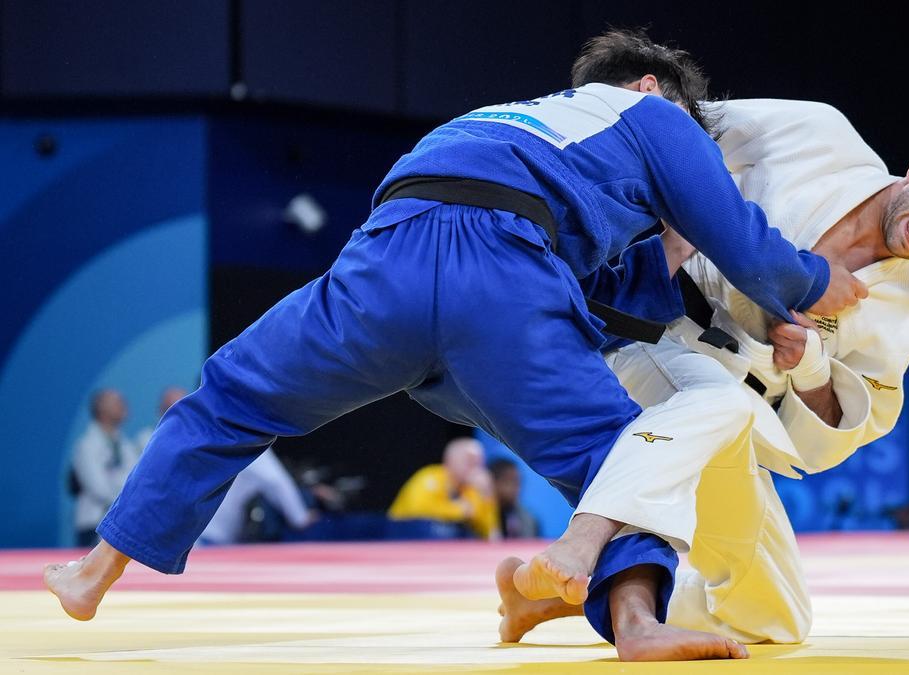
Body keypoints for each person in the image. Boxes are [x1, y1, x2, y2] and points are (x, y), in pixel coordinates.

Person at [44, 29, 865, 661]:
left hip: (383, 266)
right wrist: (813, 279)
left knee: (228, 394)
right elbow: (750, 249)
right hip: (496, 279)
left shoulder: (514, 121)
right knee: (623, 455)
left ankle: (95, 572)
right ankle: (637, 625)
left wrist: (666, 266)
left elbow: (599, 292)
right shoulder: (655, 116)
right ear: (650, 87)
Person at [498, 97, 909, 645]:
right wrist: (668, 227)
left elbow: (842, 427)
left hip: (736, 415)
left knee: (777, 617)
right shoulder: (819, 136)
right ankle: (586, 552)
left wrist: (809, 367)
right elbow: (670, 128)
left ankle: (547, 600)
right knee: (716, 403)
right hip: (655, 335)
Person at [198, 447, 316, 545]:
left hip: (199, 531)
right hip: (212, 535)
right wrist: (300, 518)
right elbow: (276, 482)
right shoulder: (249, 441)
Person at [388, 437, 498, 540]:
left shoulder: (472, 489)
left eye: (478, 462)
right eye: (469, 461)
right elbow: (418, 510)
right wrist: (459, 511)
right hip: (403, 537)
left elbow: (488, 532)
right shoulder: (429, 477)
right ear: (450, 460)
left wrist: (487, 494)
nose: (475, 467)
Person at [70, 390, 140, 547]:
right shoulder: (86, 445)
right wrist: (125, 492)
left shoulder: (126, 445)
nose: (123, 405)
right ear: (100, 408)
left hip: (123, 525)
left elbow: (136, 482)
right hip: (93, 524)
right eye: (116, 402)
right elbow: (99, 488)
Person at [489, 458, 539, 538]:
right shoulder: (478, 515)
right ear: (493, 482)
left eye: (518, 482)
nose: (516, 488)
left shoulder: (529, 520)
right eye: (509, 481)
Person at [134, 387, 188, 452]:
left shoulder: (196, 438)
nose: (176, 415)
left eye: (181, 410)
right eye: (169, 409)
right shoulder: (145, 439)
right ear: (160, 410)